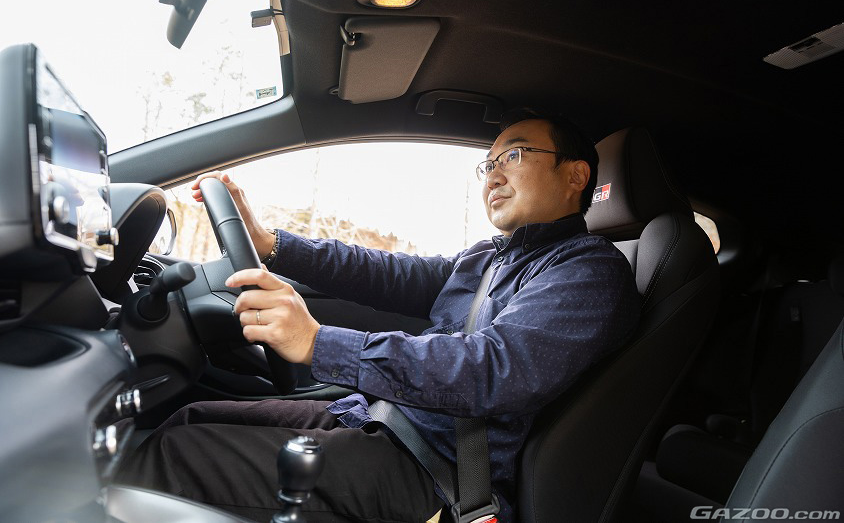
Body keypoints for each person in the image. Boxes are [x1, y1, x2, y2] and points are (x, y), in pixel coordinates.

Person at [117, 109, 641, 522]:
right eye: (488, 164)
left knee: (172, 459)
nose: (493, 175)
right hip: (379, 419)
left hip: (434, 471)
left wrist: (318, 342)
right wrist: (272, 243)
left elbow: (495, 370)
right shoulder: (490, 257)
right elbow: (387, 273)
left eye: (514, 154)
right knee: (187, 421)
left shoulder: (588, 270)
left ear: (576, 175)